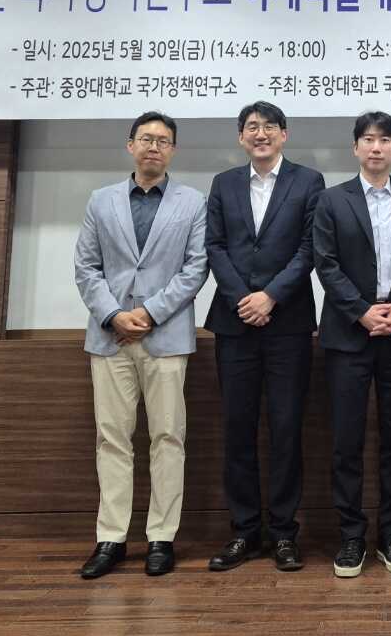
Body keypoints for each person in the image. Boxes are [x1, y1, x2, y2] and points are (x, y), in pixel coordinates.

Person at [72, 111, 209, 579]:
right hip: (109, 337)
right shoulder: (101, 200)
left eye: (163, 141)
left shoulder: (193, 202)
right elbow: (86, 267)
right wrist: (114, 315)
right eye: (146, 139)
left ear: (173, 150)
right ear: (130, 145)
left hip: (165, 337)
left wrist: (149, 313)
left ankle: (161, 538)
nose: (154, 146)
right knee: (112, 438)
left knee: (168, 438)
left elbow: (195, 268)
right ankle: (111, 538)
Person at [204, 101, 325, 573]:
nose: (261, 134)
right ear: (240, 137)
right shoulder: (224, 183)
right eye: (252, 127)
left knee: (286, 429)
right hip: (234, 323)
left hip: (288, 323)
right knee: (238, 429)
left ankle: (284, 533)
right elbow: (215, 245)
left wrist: (270, 296)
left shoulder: (308, 181)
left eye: (269, 127)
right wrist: (244, 298)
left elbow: (309, 248)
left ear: (284, 134)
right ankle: (244, 531)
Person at [313, 110, 391, 578]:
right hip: (348, 334)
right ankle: (350, 536)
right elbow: (326, 264)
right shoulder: (331, 199)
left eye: (384, 140)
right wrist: (362, 311)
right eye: (368, 139)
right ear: (355, 148)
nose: (376, 147)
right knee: (346, 440)